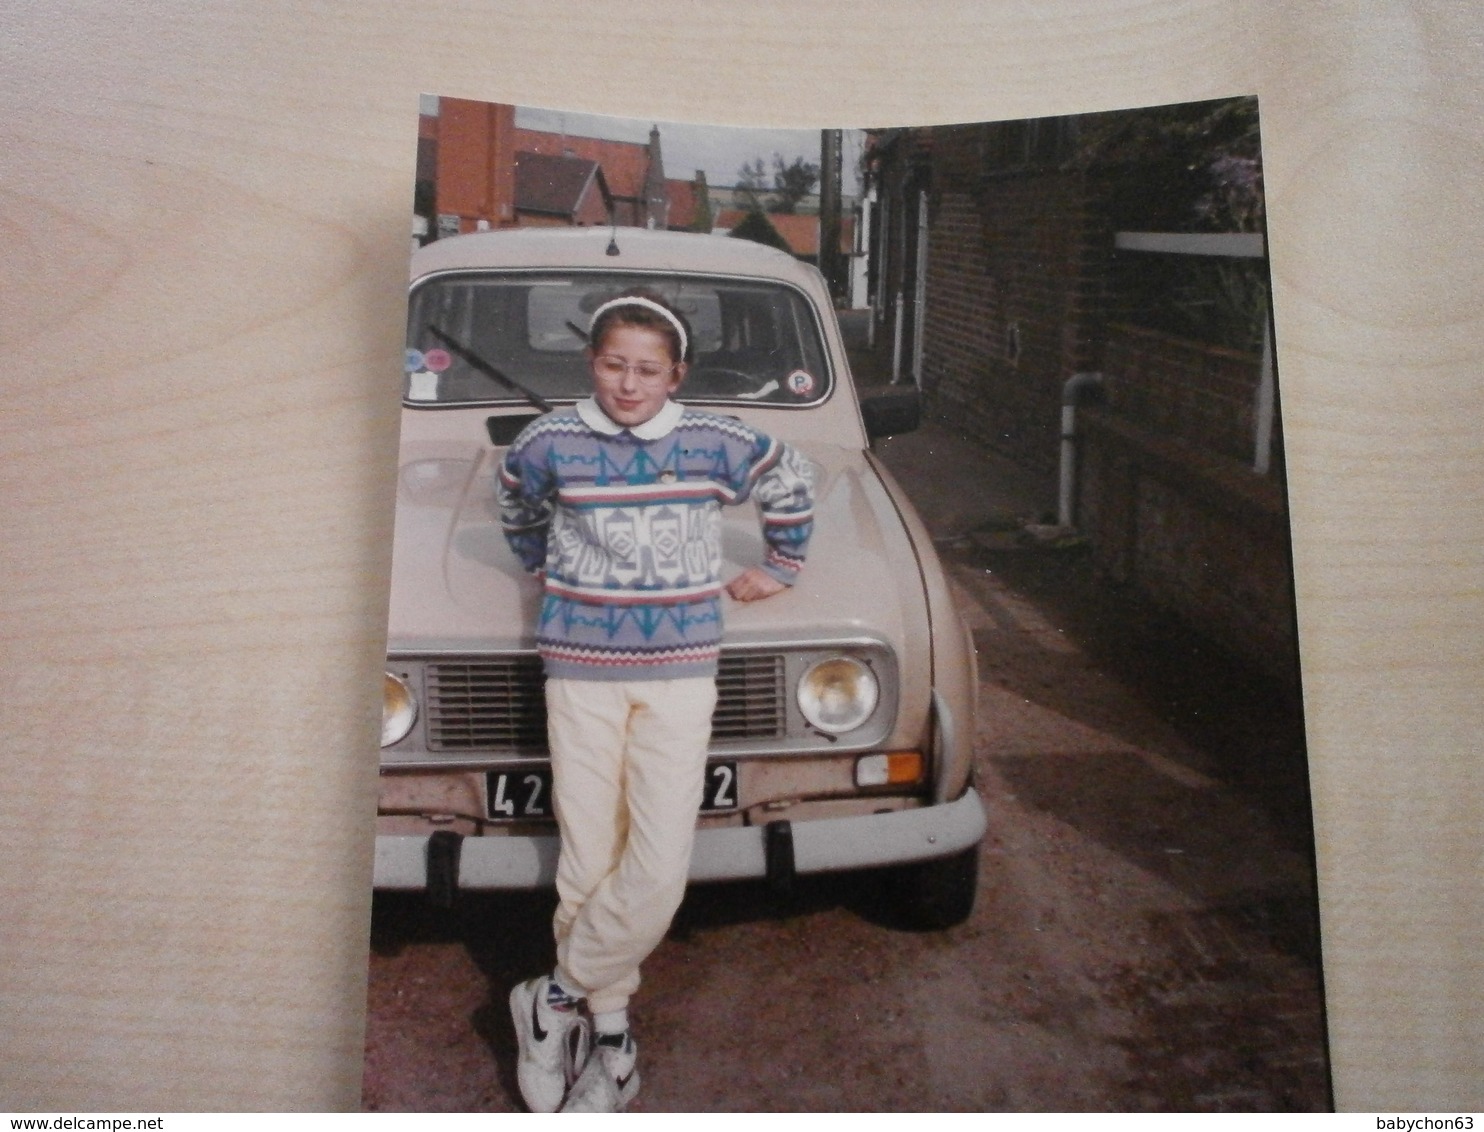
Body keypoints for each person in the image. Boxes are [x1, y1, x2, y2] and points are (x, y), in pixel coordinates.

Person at [498, 288, 814, 1112]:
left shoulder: (714, 439)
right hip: (579, 669)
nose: (629, 386)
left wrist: (780, 568)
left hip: (680, 669)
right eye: (613, 366)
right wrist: (547, 566)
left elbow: (790, 477)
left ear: (676, 373)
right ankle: (608, 1034)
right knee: (588, 856)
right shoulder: (551, 439)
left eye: (647, 370)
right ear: (591, 363)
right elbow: (515, 499)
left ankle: (553, 996)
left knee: (659, 864)